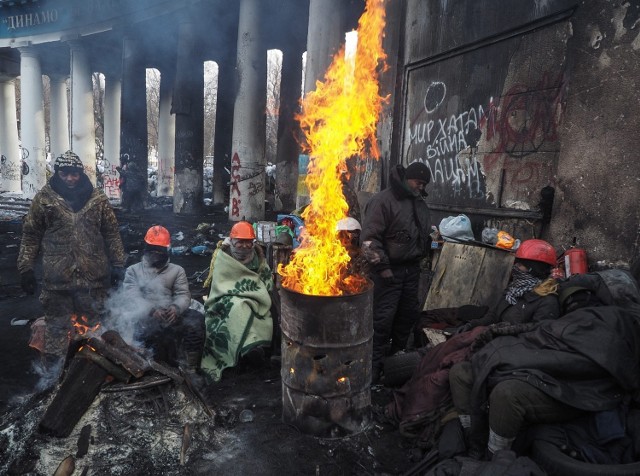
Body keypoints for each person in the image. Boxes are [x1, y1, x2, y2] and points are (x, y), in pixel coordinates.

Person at [17, 150, 126, 360]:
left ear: (81, 173)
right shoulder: (44, 199)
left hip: (93, 280)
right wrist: (26, 268)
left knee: (95, 332)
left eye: (74, 174)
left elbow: (111, 233)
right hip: (57, 281)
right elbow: (31, 235)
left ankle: (93, 375)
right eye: (64, 173)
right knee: (56, 332)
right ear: (57, 173)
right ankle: (54, 379)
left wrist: (118, 264)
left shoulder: (98, 199)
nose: (70, 178)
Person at [361, 161, 432, 383]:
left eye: (424, 184)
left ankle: (396, 365)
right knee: (382, 321)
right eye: (419, 182)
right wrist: (383, 268)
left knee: (406, 317)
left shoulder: (418, 202)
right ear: (407, 178)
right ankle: (371, 371)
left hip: (411, 270)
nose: (421, 187)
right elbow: (370, 239)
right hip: (388, 272)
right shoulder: (383, 201)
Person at [121, 225, 204, 370]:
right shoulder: (133, 271)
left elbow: (183, 294)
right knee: (145, 330)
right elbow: (131, 296)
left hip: (171, 313)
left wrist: (176, 308)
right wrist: (151, 310)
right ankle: (149, 366)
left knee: (196, 321)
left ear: (166, 251)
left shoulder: (177, 270)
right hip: (146, 314)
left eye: (159, 252)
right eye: (152, 251)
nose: (155, 255)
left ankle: (190, 367)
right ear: (146, 250)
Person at [201, 221, 274, 382]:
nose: (244, 246)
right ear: (232, 241)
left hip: (255, 299)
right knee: (236, 308)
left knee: (252, 312)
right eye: (240, 241)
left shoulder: (258, 259)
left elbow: (266, 282)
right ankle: (239, 353)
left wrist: (253, 294)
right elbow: (220, 283)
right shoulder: (223, 257)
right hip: (224, 298)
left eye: (248, 242)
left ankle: (253, 348)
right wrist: (237, 297)